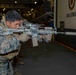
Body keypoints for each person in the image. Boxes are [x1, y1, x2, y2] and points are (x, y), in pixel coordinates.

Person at [0, 10, 30, 75]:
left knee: (11, 72)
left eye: (18, 25)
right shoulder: (1, 29)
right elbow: (1, 48)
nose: (18, 27)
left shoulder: (10, 27)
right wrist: (18, 38)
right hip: (1, 62)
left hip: (7, 59)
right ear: (7, 23)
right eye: (16, 24)